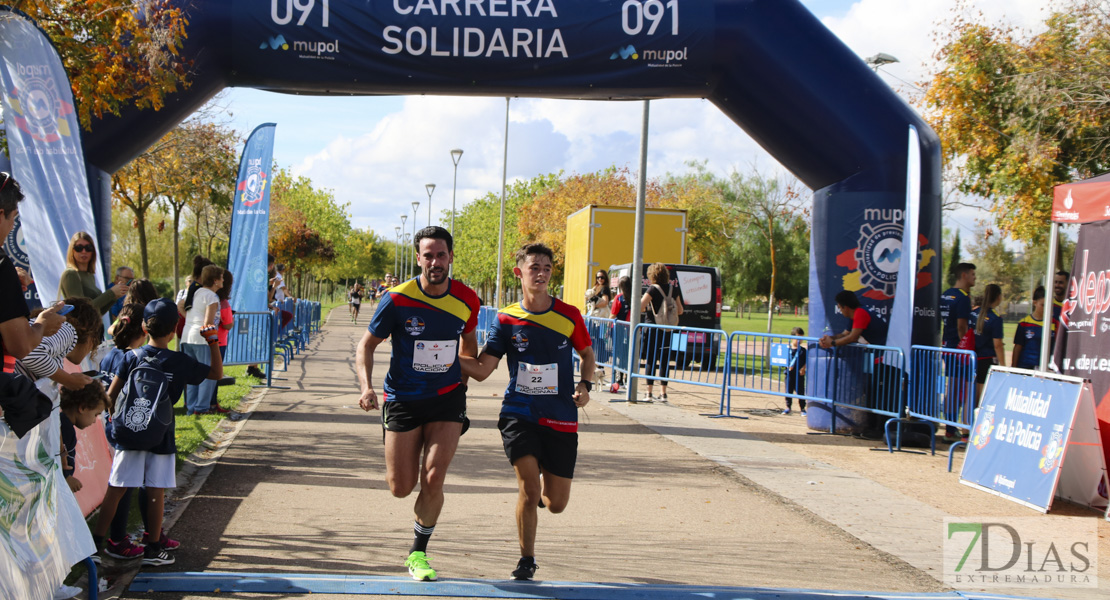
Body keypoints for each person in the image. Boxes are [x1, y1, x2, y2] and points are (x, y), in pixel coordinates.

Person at [460, 243, 594, 581]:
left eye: (547, 268)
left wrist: (585, 385)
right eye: (535, 267)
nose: (542, 273)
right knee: (529, 489)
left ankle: (539, 501)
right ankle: (526, 560)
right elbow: (481, 369)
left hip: (560, 415)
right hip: (519, 413)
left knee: (555, 502)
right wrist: (441, 351)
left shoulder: (569, 315)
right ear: (520, 272)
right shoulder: (506, 319)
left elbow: (587, 355)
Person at [355, 226, 480, 582]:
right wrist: (366, 388)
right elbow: (366, 345)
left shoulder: (467, 299)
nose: (435, 262)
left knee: (434, 477)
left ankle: (418, 552)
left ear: (451, 256)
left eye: (441, 254)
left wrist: (463, 384)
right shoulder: (396, 299)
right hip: (403, 399)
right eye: (428, 255)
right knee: (400, 486)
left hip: (446, 400)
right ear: (418, 258)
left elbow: (468, 345)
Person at [96, 298, 223, 566]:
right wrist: (212, 341)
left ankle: (94, 547)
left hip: (130, 432)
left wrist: (113, 418)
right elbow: (216, 373)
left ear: (144, 326)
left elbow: (111, 394)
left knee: (117, 488)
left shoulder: (131, 356)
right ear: (175, 328)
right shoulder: (179, 361)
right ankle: (153, 547)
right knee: (155, 489)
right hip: (161, 433)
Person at [99, 303, 172, 560]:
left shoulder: (111, 355)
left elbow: (109, 393)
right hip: (126, 427)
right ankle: (116, 539)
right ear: (142, 330)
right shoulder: (131, 358)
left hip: (114, 424)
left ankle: (113, 540)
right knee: (122, 486)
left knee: (121, 485)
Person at [179, 265, 224, 415]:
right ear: (216, 280)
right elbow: (208, 322)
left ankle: (191, 407)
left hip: (187, 336)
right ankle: (202, 407)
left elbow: (180, 304)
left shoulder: (195, 291)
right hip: (202, 339)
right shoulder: (211, 296)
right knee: (207, 373)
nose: (223, 280)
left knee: (192, 373)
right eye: (221, 277)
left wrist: (190, 320)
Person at [639, 263, 684, 402]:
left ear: (652, 275)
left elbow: (640, 306)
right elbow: (681, 310)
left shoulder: (652, 289)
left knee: (651, 360)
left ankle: (649, 393)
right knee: (664, 360)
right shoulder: (673, 289)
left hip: (653, 328)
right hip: (668, 329)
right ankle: (663, 393)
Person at [57, 231, 128, 316]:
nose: (84, 251)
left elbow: (97, 312)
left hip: (94, 327)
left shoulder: (90, 276)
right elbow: (81, 311)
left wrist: (114, 297)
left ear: (93, 251)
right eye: (79, 248)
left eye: (88, 248)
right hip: (79, 328)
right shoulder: (70, 274)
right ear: (72, 251)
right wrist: (111, 293)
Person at [969, 284, 1005, 401]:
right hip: (986, 360)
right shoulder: (995, 318)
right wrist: (1003, 365)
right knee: (982, 397)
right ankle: (975, 419)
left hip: (972, 358)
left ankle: (966, 420)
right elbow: (997, 345)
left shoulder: (974, 313)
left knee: (971, 396)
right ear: (999, 297)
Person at [818, 290, 888, 348]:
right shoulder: (856, 313)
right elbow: (845, 334)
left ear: (845, 307)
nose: (840, 311)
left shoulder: (860, 312)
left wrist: (832, 343)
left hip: (884, 353)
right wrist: (829, 339)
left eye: (840, 308)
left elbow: (853, 337)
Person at [939, 263, 976, 349]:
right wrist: (965, 347)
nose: (975, 277)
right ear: (964, 275)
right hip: (957, 348)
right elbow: (961, 327)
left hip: (946, 345)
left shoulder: (945, 294)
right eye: (973, 274)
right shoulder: (963, 297)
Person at [1012, 286, 1046, 370]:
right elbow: (1017, 347)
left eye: (1048, 305)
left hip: (1044, 369)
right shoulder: (1024, 323)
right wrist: (1014, 368)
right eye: (1042, 305)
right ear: (1035, 303)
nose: (1045, 308)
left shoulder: (1052, 324)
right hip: (1025, 368)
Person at [608, 275, 633, 391]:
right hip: (630, 331)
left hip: (619, 330)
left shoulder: (619, 298)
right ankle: (627, 379)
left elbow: (612, 315)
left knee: (618, 355)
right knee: (628, 355)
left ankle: (619, 379)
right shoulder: (634, 298)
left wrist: (607, 328)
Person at [783, 327, 807, 415]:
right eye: (798, 338)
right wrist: (786, 365)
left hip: (799, 374)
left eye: (801, 338)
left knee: (800, 392)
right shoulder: (787, 349)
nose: (799, 340)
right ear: (792, 338)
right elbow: (782, 360)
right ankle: (788, 407)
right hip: (789, 374)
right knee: (788, 391)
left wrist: (803, 368)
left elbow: (806, 361)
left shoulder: (803, 351)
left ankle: (802, 409)